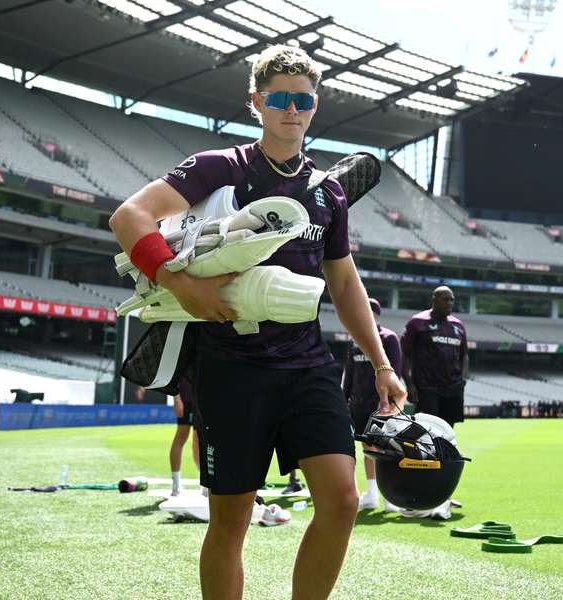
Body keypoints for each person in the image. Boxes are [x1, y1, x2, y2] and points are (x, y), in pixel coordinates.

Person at [108, 44, 405, 600]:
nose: (292, 109)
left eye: (304, 99)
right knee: (231, 521)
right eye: (280, 99)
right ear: (257, 103)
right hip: (231, 366)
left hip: (307, 365)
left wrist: (382, 364)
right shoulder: (221, 167)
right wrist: (180, 284)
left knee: (341, 501)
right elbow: (129, 217)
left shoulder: (330, 192)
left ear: (315, 106)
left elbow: (343, 282)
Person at [343, 298, 402, 512]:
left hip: (382, 403)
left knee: (386, 449)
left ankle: (390, 497)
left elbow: (396, 372)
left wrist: (389, 403)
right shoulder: (354, 341)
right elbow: (349, 375)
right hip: (358, 403)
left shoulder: (389, 338)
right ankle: (372, 494)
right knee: (367, 447)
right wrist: (344, 400)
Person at [401, 286, 468, 429]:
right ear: (434, 300)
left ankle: (446, 452)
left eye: (452, 300)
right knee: (428, 429)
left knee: (448, 430)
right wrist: (409, 384)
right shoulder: (417, 322)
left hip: (453, 386)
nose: (449, 303)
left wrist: (462, 379)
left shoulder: (458, 325)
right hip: (426, 387)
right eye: (445, 299)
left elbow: (465, 355)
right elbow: (404, 354)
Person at [169, 378, 200, 496]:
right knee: (182, 437)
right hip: (187, 398)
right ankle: (176, 485)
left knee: (199, 439)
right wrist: (176, 399)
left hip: (200, 396)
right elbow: (174, 375)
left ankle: (205, 485)